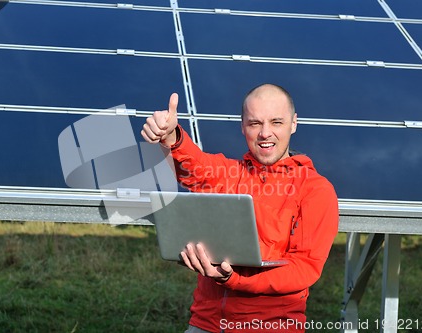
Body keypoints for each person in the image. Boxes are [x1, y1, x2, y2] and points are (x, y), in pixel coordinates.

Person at [141, 84, 339, 333]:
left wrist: (235, 280)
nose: (265, 133)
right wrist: (171, 136)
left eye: (276, 122)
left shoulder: (315, 190)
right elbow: (194, 168)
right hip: (206, 323)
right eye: (255, 123)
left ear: (294, 123)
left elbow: (304, 268)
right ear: (242, 125)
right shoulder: (230, 173)